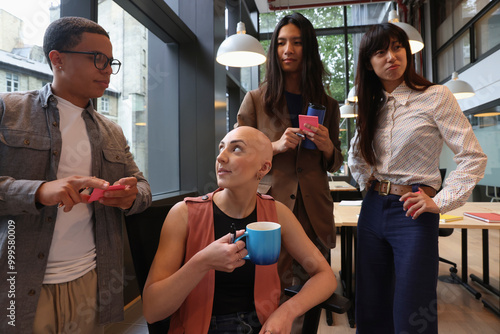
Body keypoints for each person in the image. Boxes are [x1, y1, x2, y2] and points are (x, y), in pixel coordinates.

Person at [0, 17, 152, 333]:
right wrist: (40, 192)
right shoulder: (9, 111)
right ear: (57, 59)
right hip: (17, 278)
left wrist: (129, 196)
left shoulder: (112, 131)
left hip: (91, 279)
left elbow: (143, 188)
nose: (108, 69)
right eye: (98, 59)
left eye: (111, 62)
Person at [348, 23, 487, 334]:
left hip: (413, 209)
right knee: (370, 307)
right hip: (372, 210)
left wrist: (440, 201)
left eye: (397, 47)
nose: (391, 56)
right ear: (369, 63)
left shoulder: (435, 96)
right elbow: (355, 155)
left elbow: (473, 156)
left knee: (413, 307)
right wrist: (367, 185)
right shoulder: (372, 106)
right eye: (380, 52)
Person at [142, 126, 336, 334]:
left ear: (263, 168)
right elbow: (152, 311)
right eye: (221, 148)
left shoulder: (277, 214)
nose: (221, 158)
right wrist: (202, 262)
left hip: (262, 324)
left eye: (236, 149)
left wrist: (287, 311)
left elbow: (325, 275)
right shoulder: (184, 214)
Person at [236, 12, 343, 290]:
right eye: (281, 43)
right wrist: (274, 146)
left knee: (312, 290)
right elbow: (236, 154)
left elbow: (335, 162)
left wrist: (328, 146)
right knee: (270, 289)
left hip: (314, 212)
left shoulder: (328, 105)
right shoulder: (257, 100)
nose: (288, 50)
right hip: (270, 208)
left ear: (308, 48)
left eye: (296, 42)